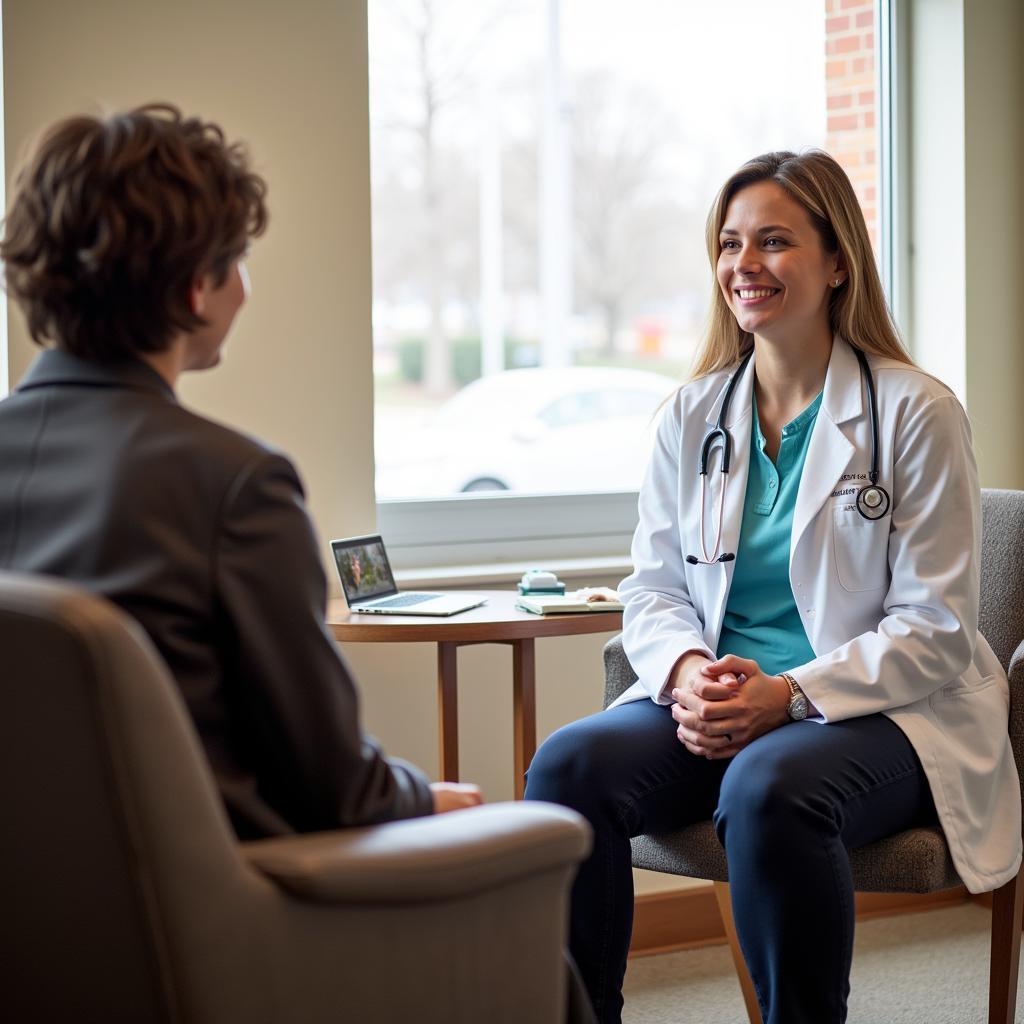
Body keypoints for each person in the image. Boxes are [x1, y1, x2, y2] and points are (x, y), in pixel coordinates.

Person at [525, 150, 1021, 1024]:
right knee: (568, 765)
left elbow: (938, 625)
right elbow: (652, 587)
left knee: (768, 786)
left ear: (837, 263)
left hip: (885, 713)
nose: (743, 266)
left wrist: (788, 695)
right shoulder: (692, 413)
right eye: (729, 244)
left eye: (774, 242)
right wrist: (686, 676)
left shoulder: (916, 410)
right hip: (715, 698)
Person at [0, 104, 482, 837]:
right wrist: (425, 797)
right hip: (212, 914)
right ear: (198, 285)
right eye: (239, 259)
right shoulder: (234, 486)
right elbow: (335, 789)